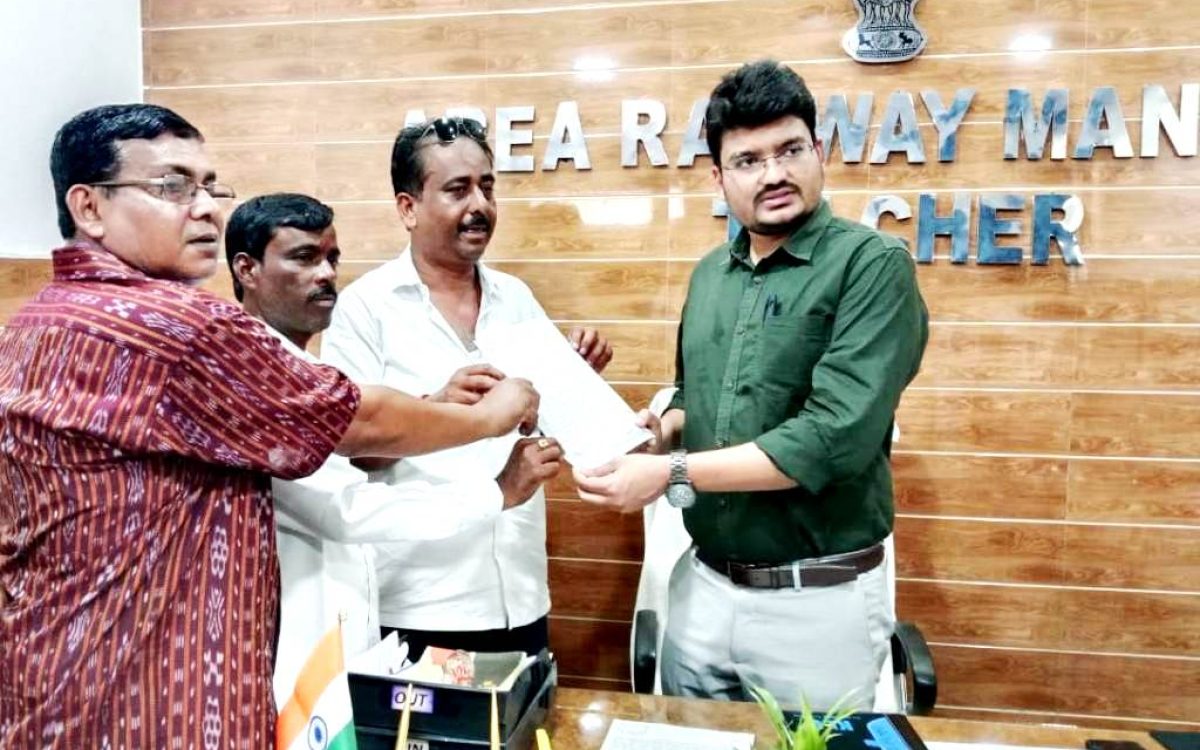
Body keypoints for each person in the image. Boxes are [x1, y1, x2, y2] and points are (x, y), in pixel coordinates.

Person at [0, 104, 537, 748]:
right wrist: (486, 420)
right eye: (172, 186)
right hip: (153, 696)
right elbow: (356, 422)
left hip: (52, 675)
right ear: (89, 207)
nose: (205, 208)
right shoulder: (179, 325)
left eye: (209, 186)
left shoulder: (35, 322)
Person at [574, 60, 929, 710]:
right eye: (747, 160)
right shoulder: (711, 274)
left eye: (790, 150)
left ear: (818, 152)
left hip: (817, 603)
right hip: (702, 589)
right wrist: (658, 431)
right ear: (719, 177)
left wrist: (668, 472)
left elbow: (832, 439)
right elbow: (693, 396)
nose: (773, 174)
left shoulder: (872, 265)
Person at [224, 192, 562, 706]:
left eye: (332, 258)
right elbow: (348, 507)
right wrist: (497, 487)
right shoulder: (255, 373)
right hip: (292, 642)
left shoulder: (306, 371)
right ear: (246, 269)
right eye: (304, 258)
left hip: (356, 627)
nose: (326, 275)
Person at [321, 116, 612, 659]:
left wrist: (574, 376)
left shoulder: (516, 297)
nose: (480, 205)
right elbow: (348, 448)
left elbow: (537, 414)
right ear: (408, 207)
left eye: (487, 187)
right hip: (418, 602)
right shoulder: (365, 308)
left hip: (520, 592)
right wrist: (436, 407)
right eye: (458, 190)